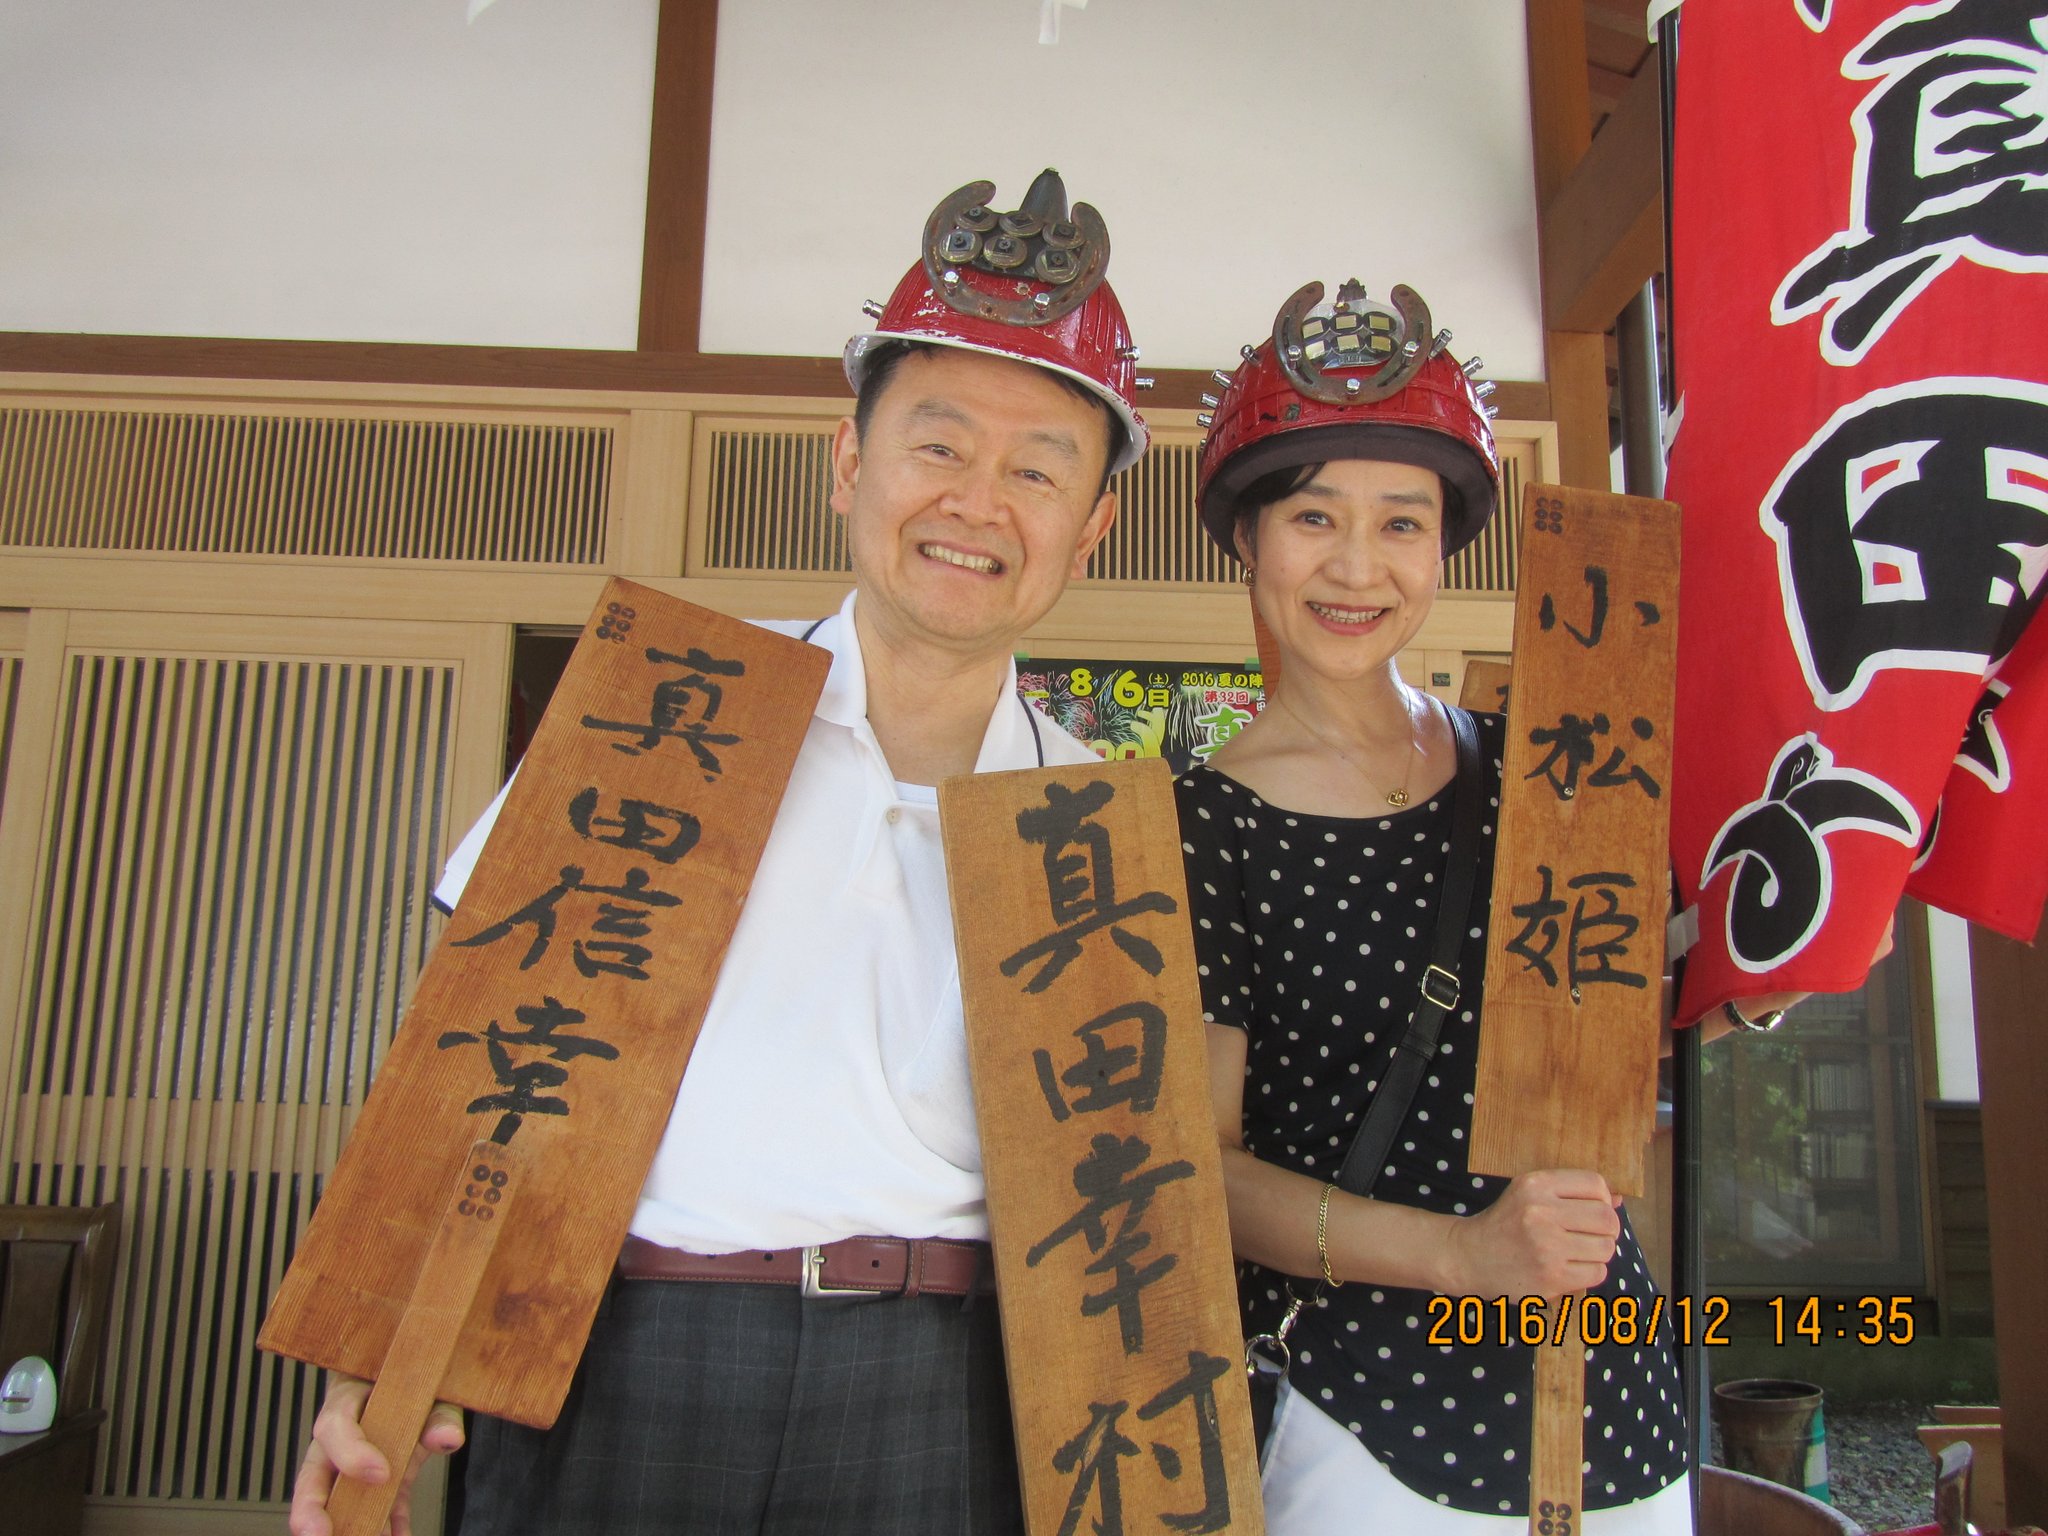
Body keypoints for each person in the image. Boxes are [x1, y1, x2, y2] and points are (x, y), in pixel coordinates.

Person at [288, 169, 1147, 1536]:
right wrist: (369, 1371)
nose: (979, 502)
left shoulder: (1101, 824)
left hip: (950, 1395)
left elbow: (1133, 1202)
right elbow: (470, 1063)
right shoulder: (658, 723)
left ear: (1091, 527)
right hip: (620, 1356)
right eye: (938, 446)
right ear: (849, 463)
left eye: (1038, 470)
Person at [1172, 278, 1798, 1533]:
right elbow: (1202, 1172)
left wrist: (1767, 985)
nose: (1357, 566)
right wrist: (1463, 1258)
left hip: (1609, 1391)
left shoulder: (1552, 764)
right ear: (1247, 539)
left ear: (1445, 545)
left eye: (1401, 523)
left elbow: (1611, 1037)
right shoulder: (1200, 827)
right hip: (1370, 1421)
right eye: (1312, 517)